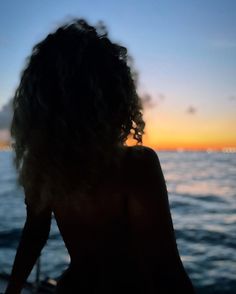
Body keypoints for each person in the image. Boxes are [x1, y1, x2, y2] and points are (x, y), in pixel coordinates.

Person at [5, 19, 195, 293]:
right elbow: (166, 270)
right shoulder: (137, 166)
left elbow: (35, 232)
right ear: (113, 93)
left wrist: (12, 289)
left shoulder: (44, 168)